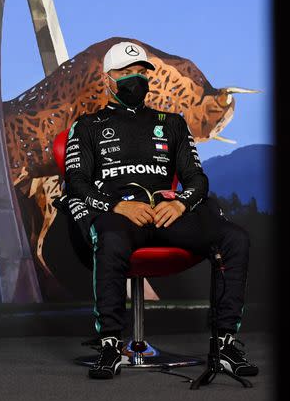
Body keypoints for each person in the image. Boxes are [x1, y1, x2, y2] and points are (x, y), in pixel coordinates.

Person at [58, 41, 257, 379]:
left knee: (234, 239)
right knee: (110, 238)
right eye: (125, 72)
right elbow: (76, 182)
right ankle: (110, 344)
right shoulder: (87, 126)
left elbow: (197, 178)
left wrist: (181, 203)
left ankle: (224, 344)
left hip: (168, 214)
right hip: (119, 216)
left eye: (140, 72)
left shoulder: (174, 123)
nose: (135, 78)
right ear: (107, 79)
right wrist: (118, 205)